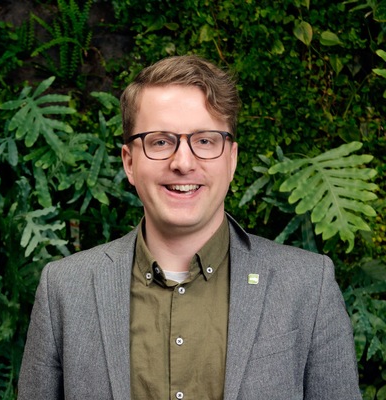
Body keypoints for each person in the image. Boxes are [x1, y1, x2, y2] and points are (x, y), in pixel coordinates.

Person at [18, 55, 362, 400]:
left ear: (232, 159)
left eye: (205, 141)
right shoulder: (65, 289)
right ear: (129, 162)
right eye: (160, 141)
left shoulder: (308, 286)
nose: (183, 162)